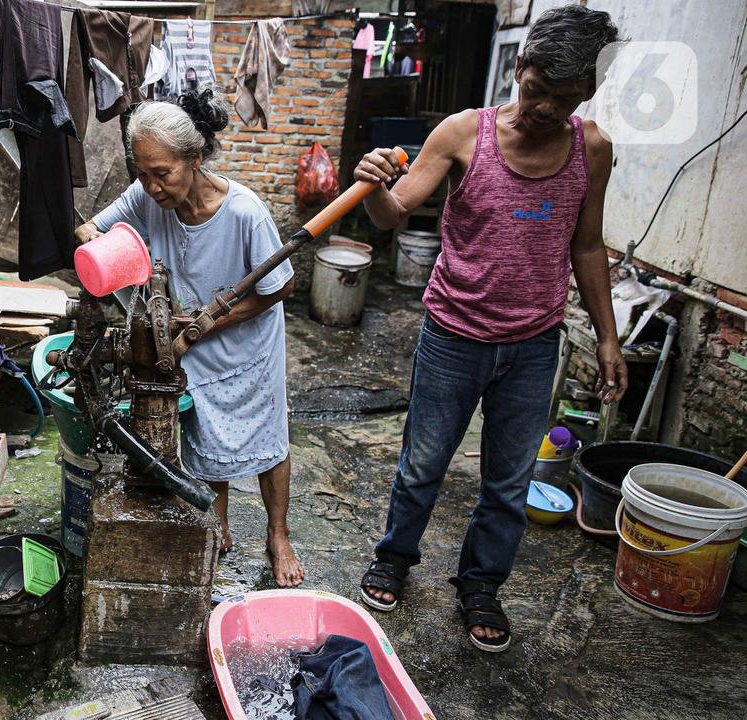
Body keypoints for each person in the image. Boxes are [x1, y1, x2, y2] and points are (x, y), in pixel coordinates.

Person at [355, 5, 625, 652]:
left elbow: (587, 247)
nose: (543, 109)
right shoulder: (461, 134)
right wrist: (371, 189)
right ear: (519, 69)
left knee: (507, 482)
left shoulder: (593, 150)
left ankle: (482, 585)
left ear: (586, 93)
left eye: (563, 100)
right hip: (452, 336)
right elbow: (394, 216)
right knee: (423, 464)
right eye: (536, 91)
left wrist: (609, 337)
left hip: (533, 345)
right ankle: (395, 557)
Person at [74, 87, 305, 588]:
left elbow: (280, 285)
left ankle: (278, 534)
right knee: (206, 439)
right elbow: (93, 226)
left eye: (163, 173)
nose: (152, 186)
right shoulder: (146, 196)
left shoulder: (245, 212)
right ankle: (215, 525)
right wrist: (93, 240)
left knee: (269, 442)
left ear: (194, 159)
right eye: (142, 173)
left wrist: (211, 320)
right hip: (189, 344)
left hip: (247, 340)